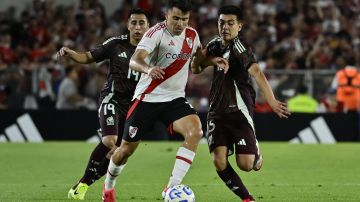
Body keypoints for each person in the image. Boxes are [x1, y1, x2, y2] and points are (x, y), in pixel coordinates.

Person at [101, 1, 228, 201]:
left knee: (195, 132)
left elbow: (195, 66)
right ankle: (108, 187)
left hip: (174, 99)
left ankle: (171, 188)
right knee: (125, 150)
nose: (180, 24)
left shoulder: (192, 35)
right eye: (176, 18)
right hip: (147, 98)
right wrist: (149, 69)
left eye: (184, 19)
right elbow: (135, 59)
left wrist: (212, 61)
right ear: (167, 15)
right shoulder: (155, 33)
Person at [191, 5, 290, 202]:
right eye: (221, 23)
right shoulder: (214, 45)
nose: (225, 27)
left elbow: (257, 72)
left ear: (240, 26)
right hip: (216, 112)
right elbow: (195, 69)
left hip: (239, 111)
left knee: (246, 164)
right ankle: (247, 198)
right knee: (219, 162)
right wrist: (207, 59)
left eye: (230, 23)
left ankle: (256, 151)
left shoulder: (240, 46)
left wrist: (271, 100)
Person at [56, 8, 150, 200]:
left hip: (135, 107)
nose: (138, 27)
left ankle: (83, 184)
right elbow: (89, 56)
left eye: (142, 23)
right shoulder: (116, 44)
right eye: (134, 23)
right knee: (109, 141)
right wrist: (72, 53)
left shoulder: (154, 49)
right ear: (128, 25)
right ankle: (84, 185)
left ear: (148, 26)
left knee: (121, 154)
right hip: (112, 99)